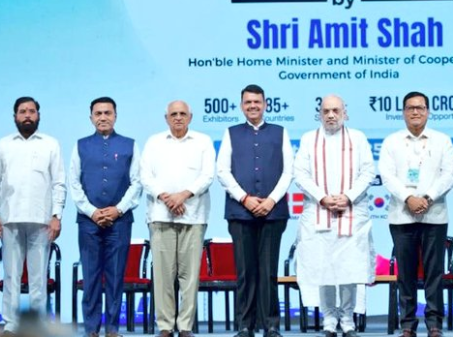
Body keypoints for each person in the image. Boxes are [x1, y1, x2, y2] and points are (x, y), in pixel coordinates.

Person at [293, 95, 376, 337]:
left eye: (336, 110)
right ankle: (329, 318)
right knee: (324, 268)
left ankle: (347, 319)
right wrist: (322, 197)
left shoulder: (358, 138)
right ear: (319, 114)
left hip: (351, 211)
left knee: (350, 267)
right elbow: (300, 174)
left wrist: (348, 196)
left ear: (344, 113)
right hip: (319, 211)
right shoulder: (309, 139)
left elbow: (368, 172)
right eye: (326, 111)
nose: (331, 115)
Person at [217, 84, 293, 337]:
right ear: (241, 106)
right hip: (240, 213)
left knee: (268, 271)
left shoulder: (280, 132)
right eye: (248, 102)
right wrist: (244, 198)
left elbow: (288, 172)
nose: (252, 106)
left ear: (265, 104)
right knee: (245, 271)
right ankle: (245, 325)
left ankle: (271, 324)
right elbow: (222, 171)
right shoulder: (231, 133)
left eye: (257, 102)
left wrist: (271, 200)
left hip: (273, 213)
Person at [379, 91, 453, 337]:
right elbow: (387, 176)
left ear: (428, 112)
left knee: (435, 272)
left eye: (420, 107)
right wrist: (409, 198)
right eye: (410, 108)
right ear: (403, 112)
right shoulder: (392, 141)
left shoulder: (442, 140)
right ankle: (407, 324)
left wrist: (427, 197)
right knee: (406, 274)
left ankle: (434, 323)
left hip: (435, 215)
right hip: (402, 216)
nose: (415, 112)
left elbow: (449, 174)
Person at [0, 97, 66, 334]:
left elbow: (59, 183)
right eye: (23, 111)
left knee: (38, 277)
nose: (28, 115)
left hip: (42, 220)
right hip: (9, 219)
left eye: (32, 111)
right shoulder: (3, 145)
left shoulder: (51, 144)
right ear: (15, 117)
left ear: (39, 116)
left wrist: (57, 215)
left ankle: (37, 324)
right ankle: (11, 325)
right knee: (11, 275)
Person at [140, 101, 215, 337]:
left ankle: (185, 326)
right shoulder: (154, 142)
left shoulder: (203, 141)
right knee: (163, 275)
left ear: (190, 117)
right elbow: (145, 176)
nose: (178, 117)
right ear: (166, 118)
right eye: (174, 114)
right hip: (160, 215)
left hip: (193, 216)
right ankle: (165, 326)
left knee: (189, 276)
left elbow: (207, 175)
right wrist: (166, 197)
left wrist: (182, 195)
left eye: (183, 114)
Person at [68, 97, 142, 337]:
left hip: (120, 222)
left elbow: (137, 183)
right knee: (90, 277)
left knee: (115, 277)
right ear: (91, 117)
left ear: (115, 116)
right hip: (88, 222)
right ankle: (91, 329)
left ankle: (112, 329)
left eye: (107, 113)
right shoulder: (80, 145)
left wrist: (118, 209)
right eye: (98, 113)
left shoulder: (130, 145)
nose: (103, 117)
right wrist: (91, 211)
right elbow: (74, 183)